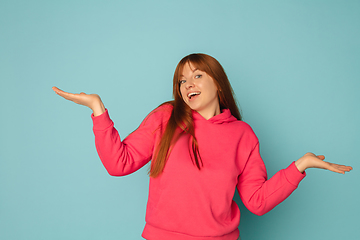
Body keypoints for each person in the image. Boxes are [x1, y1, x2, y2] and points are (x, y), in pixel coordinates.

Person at [52, 53, 352, 240]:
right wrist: (98, 109)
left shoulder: (242, 135)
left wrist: (300, 166)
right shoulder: (165, 117)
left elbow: (257, 202)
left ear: (217, 84)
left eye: (197, 75)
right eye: (182, 80)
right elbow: (119, 164)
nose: (188, 84)